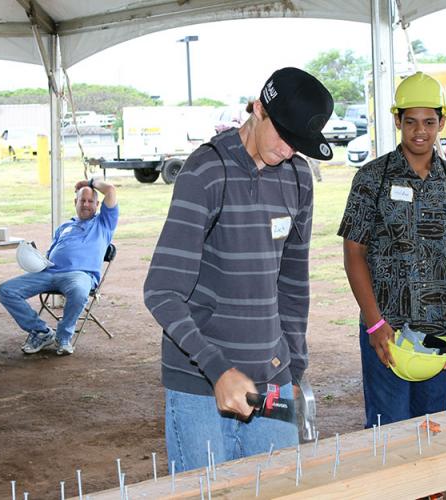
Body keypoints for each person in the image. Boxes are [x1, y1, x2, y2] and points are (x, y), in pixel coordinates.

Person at [143, 67, 332, 471]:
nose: (287, 151)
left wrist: (294, 369)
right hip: (200, 385)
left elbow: (293, 283)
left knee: (279, 489)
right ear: (258, 109)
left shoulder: (298, 177)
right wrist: (217, 369)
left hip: (272, 380)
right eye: (283, 137)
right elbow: (161, 290)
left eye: (297, 145)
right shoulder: (206, 172)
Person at [338, 72, 446, 427]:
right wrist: (374, 323)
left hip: (439, 328)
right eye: (412, 122)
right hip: (386, 327)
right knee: (388, 429)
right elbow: (353, 252)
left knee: (431, 425)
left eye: (430, 122)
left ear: (442, 122)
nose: (421, 131)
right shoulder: (372, 177)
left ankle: (432, 487)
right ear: (397, 121)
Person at [0, 178, 118, 356]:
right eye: (82, 200)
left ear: (97, 204)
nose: (86, 204)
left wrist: (89, 182)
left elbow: (111, 190)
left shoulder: (104, 223)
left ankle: (64, 337)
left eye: (90, 201)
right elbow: (51, 253)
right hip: (48, 272)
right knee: (5, 290)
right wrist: (37, 260)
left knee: (78, 290)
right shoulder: (64, 227)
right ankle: (41, 332)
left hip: (80, 275)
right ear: (75, 202)